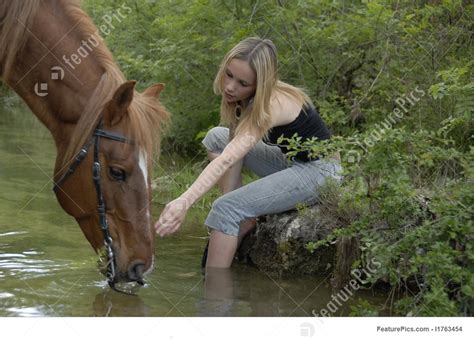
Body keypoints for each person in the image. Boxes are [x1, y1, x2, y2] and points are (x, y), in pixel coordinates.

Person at [155, 37, 342, 268]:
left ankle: (214, 300)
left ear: (260, 85)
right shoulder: (241, 99)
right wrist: (235, 204)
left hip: (320, 173)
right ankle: (241, 220)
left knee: (225, 208)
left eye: (243, 83)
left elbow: (227, 159)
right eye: (229, 74)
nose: (230, 87)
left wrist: (184, 201)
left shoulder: (271, 103)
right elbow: (232, 151)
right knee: (216, 137)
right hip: (291, 161)